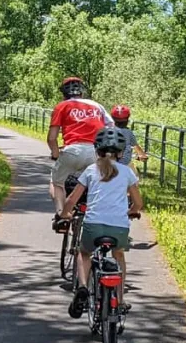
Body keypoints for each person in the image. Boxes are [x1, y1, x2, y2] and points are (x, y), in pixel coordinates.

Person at [59, 126, 144, 318]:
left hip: (93, 225)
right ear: (121, 153)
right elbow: (138, 203)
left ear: (97, 150)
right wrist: (132, 211)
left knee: (84, 253)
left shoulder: (90, 170)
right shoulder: (127, 173)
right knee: (119, 256)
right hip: (119, 227)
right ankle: (120, 300)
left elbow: (72, 199)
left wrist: (65, 214)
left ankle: (81, 287)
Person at [47, 77, 113, 230]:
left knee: (57, 182)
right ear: (82, 92)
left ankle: (62, 215)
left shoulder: (62, 106)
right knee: (96, 182)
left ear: (64, 93)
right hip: (96, 151)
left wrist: (56, 154)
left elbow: (52, 138)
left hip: (73, 150)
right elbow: (111, 128)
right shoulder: (97, 106)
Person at [109, 104, 149, 169]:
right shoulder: (128, 132)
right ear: (127, 120)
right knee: (135, 177)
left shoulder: (108, 130)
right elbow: (136, 147)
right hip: (124, 164)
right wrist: (143, 155)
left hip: (109, 163)